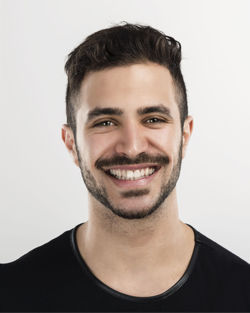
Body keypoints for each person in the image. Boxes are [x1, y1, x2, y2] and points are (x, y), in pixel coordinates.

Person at [0, 23, 249, 312]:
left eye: (153, 119)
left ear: (184, 134)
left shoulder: (242, 292)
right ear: (71, 144)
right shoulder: (10, 294)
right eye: (105, 123)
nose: (132, 147)